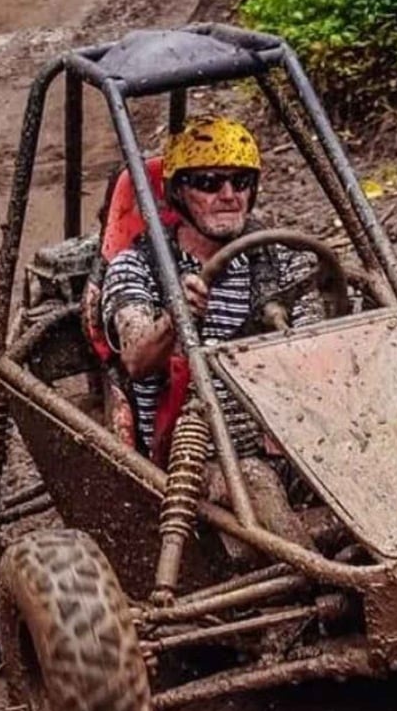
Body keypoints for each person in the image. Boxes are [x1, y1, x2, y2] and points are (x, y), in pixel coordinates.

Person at [96, 116, 314, 465]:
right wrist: (176, 316)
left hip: (291, 437)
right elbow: (136, 362)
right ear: (179, 190)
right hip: (194, 455)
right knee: (259, 484)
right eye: (208, 183)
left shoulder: (282, 260)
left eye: (240, 181)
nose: (228, 196)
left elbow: (319, 353)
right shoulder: (137, 267)